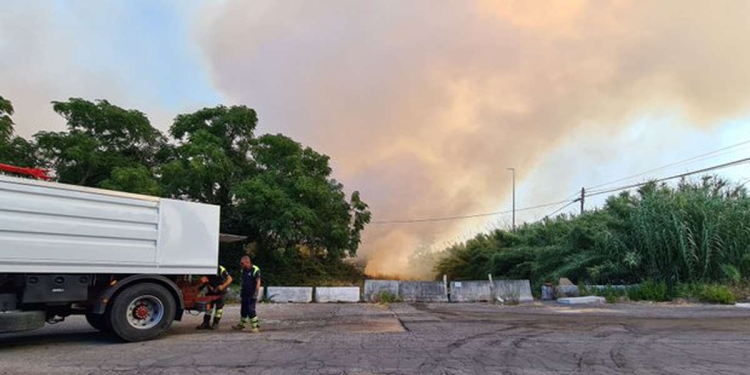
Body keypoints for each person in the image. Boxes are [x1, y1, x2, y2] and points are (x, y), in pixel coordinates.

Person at [196, 264, 233, 330]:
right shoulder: (207, 269)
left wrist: (222, 287)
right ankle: (205, 323)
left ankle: (216, 323)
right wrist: (201, 288)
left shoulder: (220, 269)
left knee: (219, 308)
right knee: (209, 307)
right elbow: (206, 280)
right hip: (211, 290)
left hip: (220, 290)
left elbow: (229, 279)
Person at [232, 255, 261, 333]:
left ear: (247, 262)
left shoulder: (255, 269)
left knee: (250, 309)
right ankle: (242, 325)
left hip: (251, 293)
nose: (241, 265)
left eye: (242, 263)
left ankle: (255, 327)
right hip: (244, 293)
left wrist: (256, 292)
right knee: (243, 310)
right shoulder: (243, 270)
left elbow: (258, 281)